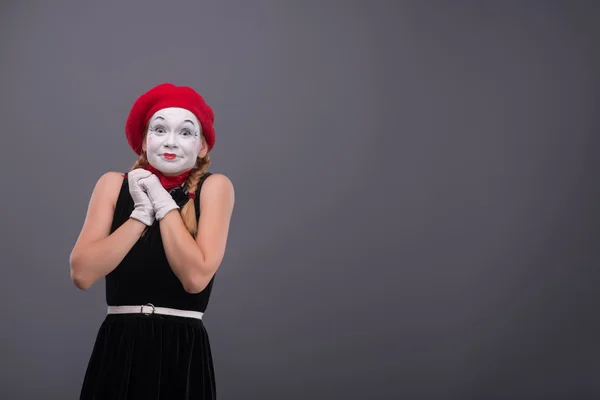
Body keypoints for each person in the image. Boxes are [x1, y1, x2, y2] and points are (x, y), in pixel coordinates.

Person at [69, 82, 235, 399]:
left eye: (185, 132)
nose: (170, 141)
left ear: (202, 146)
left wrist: (161, 200)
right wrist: (141, 214)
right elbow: (82, 274)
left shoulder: (215, 188)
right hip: (119, 346)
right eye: (159, 130)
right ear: (144, 141)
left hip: (181, 351)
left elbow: (195, 278)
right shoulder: (113, 185)